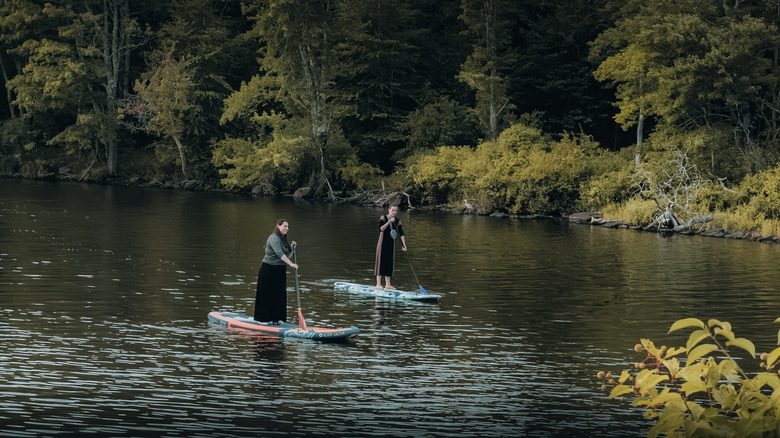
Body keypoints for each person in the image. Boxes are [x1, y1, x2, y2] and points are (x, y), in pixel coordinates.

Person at [254, 219, 298, 323]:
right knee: (267, 294)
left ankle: (277, 319)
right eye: (285, 226)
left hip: (280, 270)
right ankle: (263, 319)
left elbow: (287, 256)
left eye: (288, 227)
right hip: (269, 269)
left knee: (279, 295)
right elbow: (279, 254)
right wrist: (291, 264)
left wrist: (292, 249)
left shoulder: (283, 239)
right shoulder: (273, 238)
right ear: (278, 226)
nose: (287, 228)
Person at [374, 204, 407, 290]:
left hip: (391, 243)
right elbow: (381, 228)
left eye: (396, 211)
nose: (394, 212)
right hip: (382, 243)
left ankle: (388, 284)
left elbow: (401, 233)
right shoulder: (383, 217)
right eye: (393, 210)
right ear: (389, 210)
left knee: (389, 261)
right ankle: (378, 284)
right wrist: (389, 221)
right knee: (381, 261)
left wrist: (404, 245)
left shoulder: (398, 221)